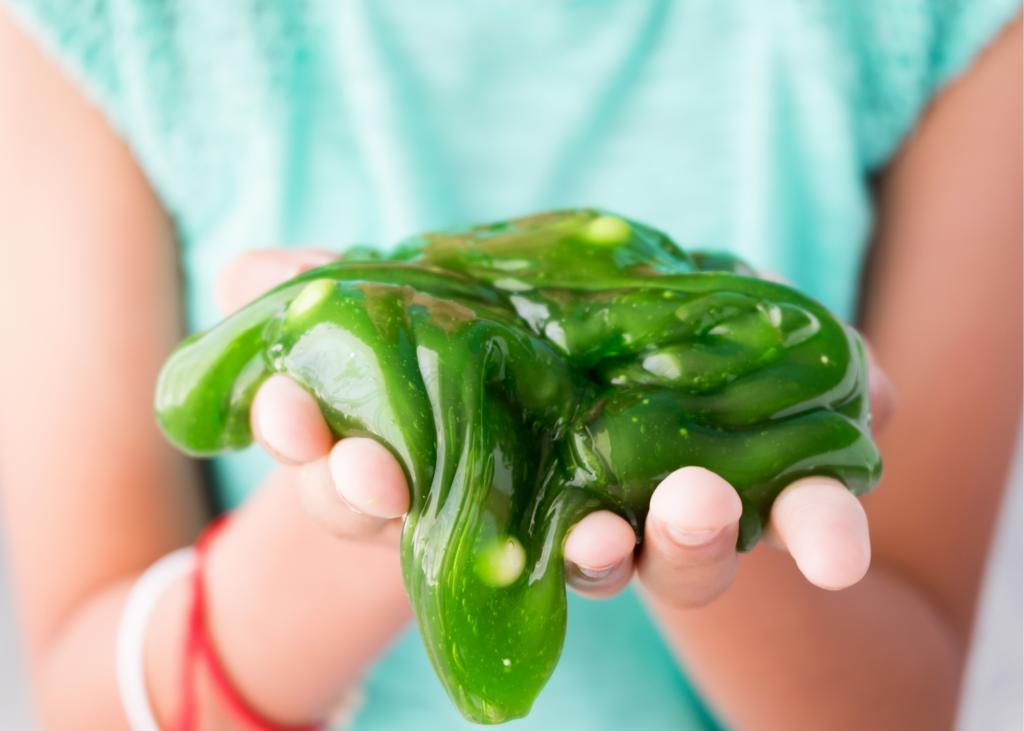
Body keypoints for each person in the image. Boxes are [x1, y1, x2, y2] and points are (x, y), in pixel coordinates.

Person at [0, 2, 1019, 730]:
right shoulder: (119, 28)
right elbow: (83, 698)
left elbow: (906, 702)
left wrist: (713, 503)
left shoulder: (935, 24)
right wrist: (405, 484)